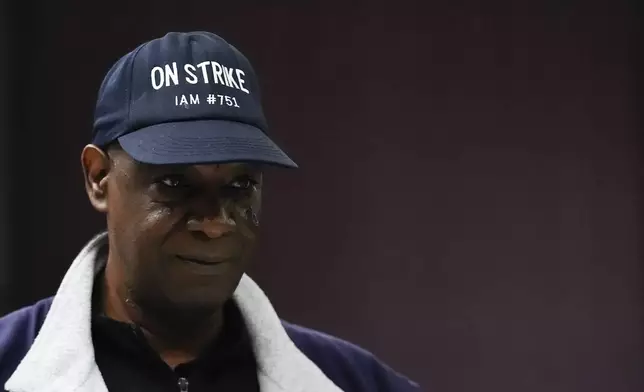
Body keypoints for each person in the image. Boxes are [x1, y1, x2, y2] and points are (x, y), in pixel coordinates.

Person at [0, 31, 421, 392]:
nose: (216, 223)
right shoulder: (11, 361)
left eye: (240, 186)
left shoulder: (353, 381)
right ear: (99, 177)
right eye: (175, 184)